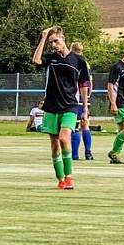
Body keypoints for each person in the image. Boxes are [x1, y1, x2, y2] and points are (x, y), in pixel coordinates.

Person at [32, 26, 90, 190]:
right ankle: (61, 178)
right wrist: (43, 37)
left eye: (56, 41)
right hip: (51, 106)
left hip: (70, 105)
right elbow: (36, 61)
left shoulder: (79, 61)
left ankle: (69, 177)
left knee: (65, 138)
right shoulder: (51, 59)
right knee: (55, 144)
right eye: (51, 43)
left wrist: (85, 108)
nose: (54, 45)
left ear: (63, 38)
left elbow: (84, 85)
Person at [69, 42, 94, 160]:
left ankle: (74, 155)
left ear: (71, 49)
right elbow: (90, 83)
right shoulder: (86, 63)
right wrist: (88, 97)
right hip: (86, 96)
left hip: (76, 96)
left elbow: (82, 83)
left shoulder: (75, 62)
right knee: (85, 124)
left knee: (75, 125)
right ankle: (88, 152)